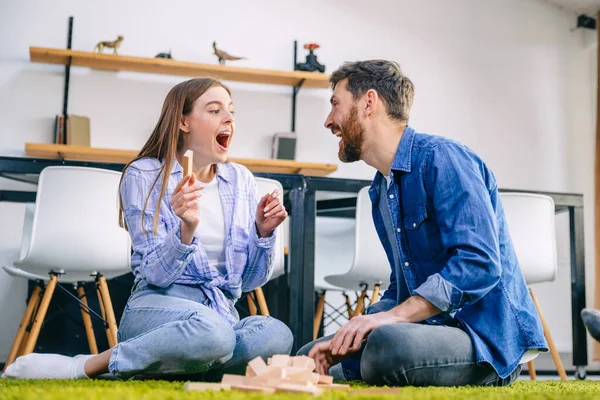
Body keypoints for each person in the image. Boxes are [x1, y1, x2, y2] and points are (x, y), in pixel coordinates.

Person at [3, 77, 293, 380]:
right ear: (183, 122)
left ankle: (172, 364)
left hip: (220, 312)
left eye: (231, 111)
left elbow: (248, 282)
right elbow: (154, 275)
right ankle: (90, 365)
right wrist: (186, 230)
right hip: (158, 308)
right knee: (216, 334)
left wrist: (263, 233)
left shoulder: (240, 180)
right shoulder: (144, 175)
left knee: (276, 336)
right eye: (215, 110)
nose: (229, 119)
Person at [298, 60, 548, 387]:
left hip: (483, 337)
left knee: (388, 348)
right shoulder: (380, 190)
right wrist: (362, 326)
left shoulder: (444, 158)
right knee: (309, 354)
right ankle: (356, 364)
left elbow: (480, 264)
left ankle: (372, 365)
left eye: (336, 105)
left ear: (369, 103)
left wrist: (391, 319)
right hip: (430, 330)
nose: (329, 121)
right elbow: (400, 287)